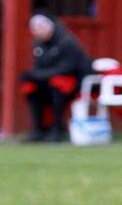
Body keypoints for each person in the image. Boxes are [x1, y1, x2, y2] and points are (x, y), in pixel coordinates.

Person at [20, 11, 92, 142]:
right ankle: (38, 130)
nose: (37, 32)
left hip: (75, 82)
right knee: (30, 88)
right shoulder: (38, 45)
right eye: (34, 29)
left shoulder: (66, 41)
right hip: (48, 81)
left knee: (58, 85)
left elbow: (68, 68)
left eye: (40, 28)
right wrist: (32, 76)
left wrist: (39, 75)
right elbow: (39, 67)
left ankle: (57, 129)